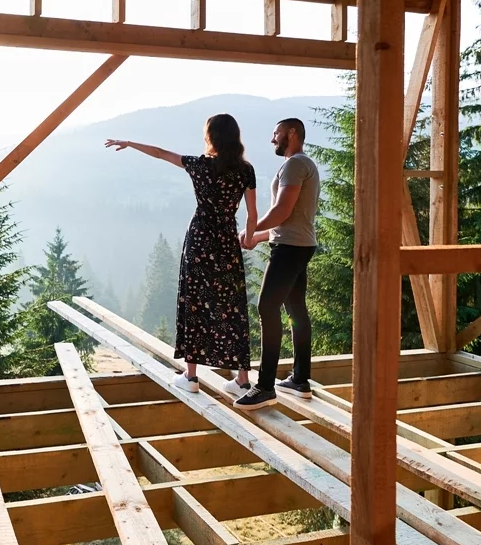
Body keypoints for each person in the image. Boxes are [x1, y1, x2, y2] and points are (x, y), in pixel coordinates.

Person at [105, 114, 258, 400]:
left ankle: (191, 376)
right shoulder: (245, 171)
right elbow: (252, 215)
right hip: (227, 241)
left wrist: (129, 143)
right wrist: (248, 240)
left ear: (211, 137)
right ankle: (242, 380)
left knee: (195, 301)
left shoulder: (200, 165)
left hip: (200, 241)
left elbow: (162, 154)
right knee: (232, 305)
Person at [236, 117, 320, 407]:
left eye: (277, 133)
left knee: (266, 307)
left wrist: (249, 230)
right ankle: (299, 379)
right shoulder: (300, 164)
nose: (273, 139)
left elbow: (282, 210)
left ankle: (265, 386)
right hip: (298, 243)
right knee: (295, 308)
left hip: (290, 248)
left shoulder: (295, 165)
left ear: (292, 133)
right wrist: (258, 237)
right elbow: (288, 219)